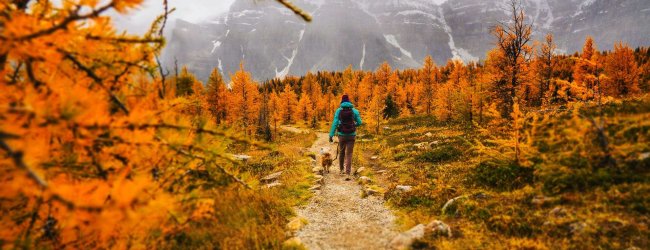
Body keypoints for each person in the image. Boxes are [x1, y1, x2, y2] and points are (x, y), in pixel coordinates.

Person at [329, 94, 362, 180]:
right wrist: (354, 124)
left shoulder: (338, 111)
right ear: (349, 101)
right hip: (351, 135)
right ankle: (348, 173)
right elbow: (360, 122)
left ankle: (341, 170)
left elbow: (335, 123)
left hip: (342, 135)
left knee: (342, 152)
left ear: (342, 101)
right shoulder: (355, 111)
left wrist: (331, 135)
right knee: (349, 154)